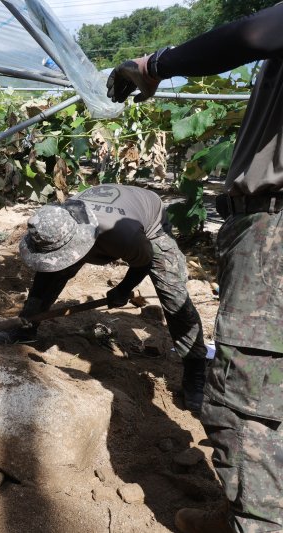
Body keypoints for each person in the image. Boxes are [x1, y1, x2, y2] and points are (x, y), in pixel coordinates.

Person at [106, 4, 283, 532]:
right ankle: (249, 508)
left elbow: (252, 33)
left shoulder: (135, 227)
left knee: (251, 397)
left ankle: (257, 521)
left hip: (274, 233)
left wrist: (152, 63)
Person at [0, 184, 208, 414]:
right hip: (109, 215)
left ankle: (195, 371)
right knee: (51, 273)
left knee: (174, 297)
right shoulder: (57, 221)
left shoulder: (122, 235)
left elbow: (144, 263)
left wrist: (123, 290)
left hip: (149, 219)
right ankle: (26, 327)